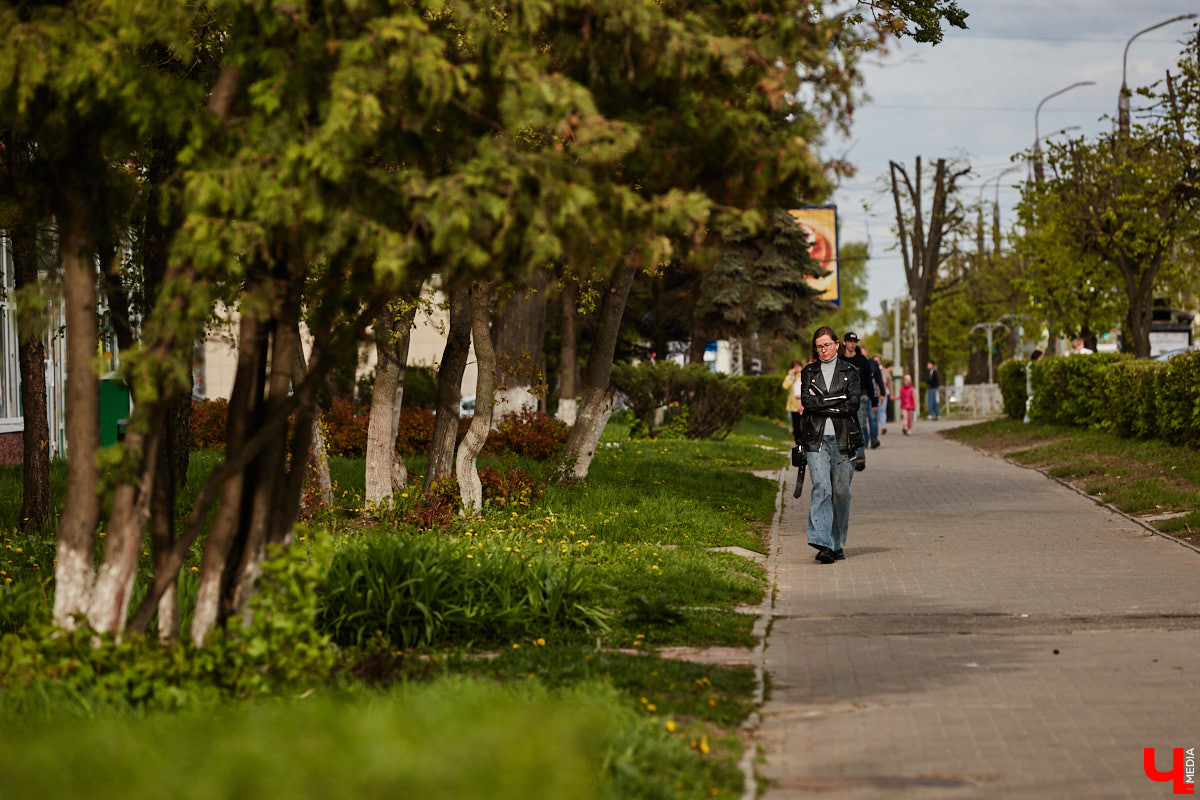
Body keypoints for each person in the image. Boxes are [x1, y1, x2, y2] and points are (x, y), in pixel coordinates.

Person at [798, 326, 863, 564]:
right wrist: (837, 400)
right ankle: (823, 543)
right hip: (816, 438)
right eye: (819, 346)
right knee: (822, 488)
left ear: (837, 344)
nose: (823, 350)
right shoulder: (809, 372)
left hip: (844, 439)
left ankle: (837, 543)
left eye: (827, 345)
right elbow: (807, 401)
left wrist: (823, 402)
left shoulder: (851, 371)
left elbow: (852, 404)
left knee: (841, 492)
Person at [841, 332, 876, 469]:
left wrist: (874, 401)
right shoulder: (840, 360)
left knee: (859, 425)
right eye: (849, 341)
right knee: (844, 427)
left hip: (860, 397)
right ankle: (846, 456)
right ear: (844, 343)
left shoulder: (862, 360)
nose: (852, 344)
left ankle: (860, 457)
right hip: (844, 399)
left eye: (854, 341)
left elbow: (869, 381)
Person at [781, 358, 805, 445]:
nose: (797, 368)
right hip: (793, 406)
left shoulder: (804, 375)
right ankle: (797, 444)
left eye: (798, 366)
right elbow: (785, 386)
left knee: (804, 427)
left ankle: (804, 443)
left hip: (803, 406)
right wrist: (792, 376)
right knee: (796, 427)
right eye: (795, 367)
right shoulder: (790, 377)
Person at [873, 354, 892, 436]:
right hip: (874, 394)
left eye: (878, 361)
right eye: (875, 361)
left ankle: (883, 426)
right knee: (875, 412)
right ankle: (875, 427)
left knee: (882, 410)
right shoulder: (870, 370)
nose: (876, 362)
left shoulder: (885, 371)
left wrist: (891, 394)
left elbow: (889, 383)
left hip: (884, 394)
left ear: (880, 361)